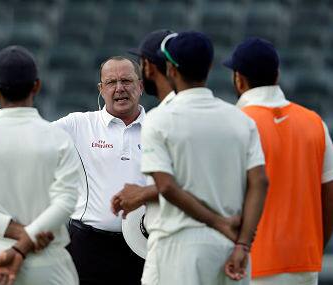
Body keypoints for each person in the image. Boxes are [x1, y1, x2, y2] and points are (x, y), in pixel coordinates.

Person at [0, 56, 146, 285]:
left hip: (144, 245)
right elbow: (33, 142)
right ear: (101, 89)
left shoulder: (158, 127)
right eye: (111, 82)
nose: (119, 88)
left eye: (126, 81)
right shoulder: (79, 124)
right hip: (88, 247)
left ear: (140, 85)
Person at [140, 31, 269, 285]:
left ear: (171, 69)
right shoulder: (240, 119)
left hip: (181, 247)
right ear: (209, 67)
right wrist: (243, 243)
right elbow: (260, 182)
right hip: (232, 245)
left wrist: (218, 222)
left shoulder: (159, 119)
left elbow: (166, 186)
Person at [0, 45, 83, 284]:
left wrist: (16, 234)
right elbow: (65, 202)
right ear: (37, 85)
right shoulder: (59, 140)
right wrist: (28, 238)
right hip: (48, 258)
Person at [111, 29, 242, 250]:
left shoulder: (166, 118)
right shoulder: (228, 115)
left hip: (180, 244)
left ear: (150, 67)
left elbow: (188, 183)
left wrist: (141, 193)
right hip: (219, 241)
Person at [223, 37, 333, 285]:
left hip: (250, 266)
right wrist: (314, 246)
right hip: (304, 264)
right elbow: (329, 197)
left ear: (239, 79)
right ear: (277, 74)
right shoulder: (315, 122)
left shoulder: (234, 124)